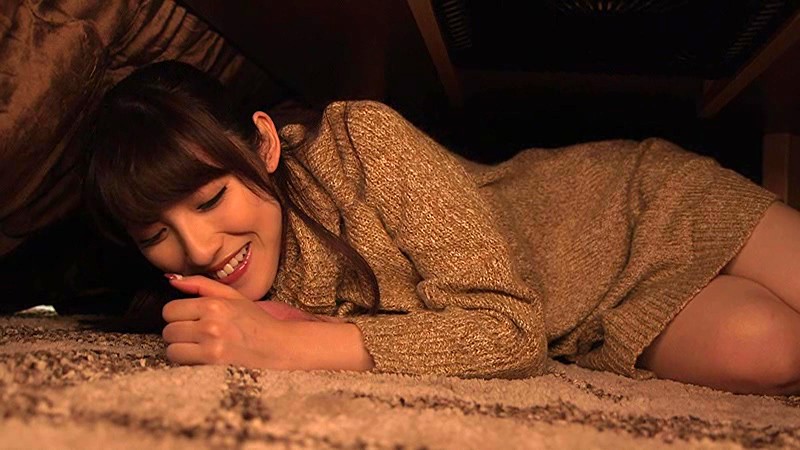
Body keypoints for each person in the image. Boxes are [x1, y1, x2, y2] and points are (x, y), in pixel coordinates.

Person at [82, 60, 800, 396]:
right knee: (774, 351)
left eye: (210, 199)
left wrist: (296, 343)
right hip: (591, 322)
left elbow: (509, 330)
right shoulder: (213, 300)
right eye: (155, 234)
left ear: (264, 143)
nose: (198, 249)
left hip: (629, 207)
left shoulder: (356, 142)